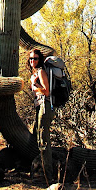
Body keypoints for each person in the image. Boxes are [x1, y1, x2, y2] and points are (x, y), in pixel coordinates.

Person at [28, 49, 54, 181]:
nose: (33, 61)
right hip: (39, 106)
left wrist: (36, 84)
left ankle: (47, 174)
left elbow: (47, 91)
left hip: (44, 105)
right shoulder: (34, 73)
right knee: (39, 138)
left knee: (43, 139)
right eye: (31, 58)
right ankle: (42, 171)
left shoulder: (41, 72)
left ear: (40, 59)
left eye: (35, 58)